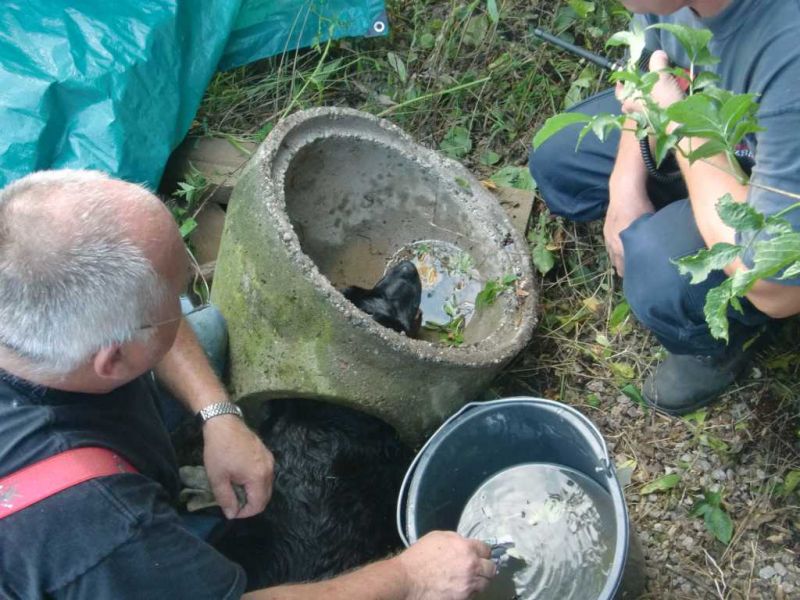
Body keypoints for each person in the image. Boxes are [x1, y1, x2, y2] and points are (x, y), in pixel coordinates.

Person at [0, 169, 495, 599]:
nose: (184, 304)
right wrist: (411, 577)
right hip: (96, 550)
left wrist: (218, 415)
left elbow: (157, 322)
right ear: (112, 358)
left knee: (208, 327)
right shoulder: (105, 532)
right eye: (175, 295)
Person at [530, 0, 800, 415]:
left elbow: (777, 291)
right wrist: (624, 185)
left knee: (658, 271)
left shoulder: (789, 55)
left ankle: (721, 337)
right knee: (559, 158)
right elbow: (649, 67)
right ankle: (682, 217)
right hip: (720, 137)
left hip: (773, 206)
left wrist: (677, 120)